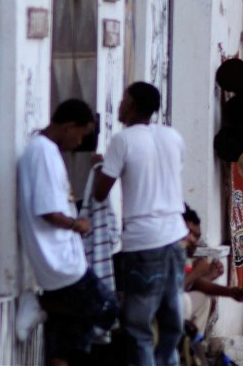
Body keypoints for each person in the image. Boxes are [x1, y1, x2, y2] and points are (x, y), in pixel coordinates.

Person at [94, 82, 188, 366]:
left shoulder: (122, 140)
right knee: (171, 322)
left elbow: (100, 191)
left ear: (133, 105)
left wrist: (100, 165)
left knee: (139, 327)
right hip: (175, 237)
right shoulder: (172, 137)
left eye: (123, 100)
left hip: (143, 243)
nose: (119, 105)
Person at [19, 99, 118, 366]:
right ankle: (44, 304)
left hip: (57, 260)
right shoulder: (44, 152)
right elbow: (47, 210)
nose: (79, 143)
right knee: (107, 308)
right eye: (81, 135)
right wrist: (78, 225)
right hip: (61, 262)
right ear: (68, 126)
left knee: (68, 341)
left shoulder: (43, 150)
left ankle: (51, 308)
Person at [180, 207, 243, 337]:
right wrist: (197, 272)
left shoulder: (181, 256)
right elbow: (172, 292)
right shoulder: (163, 251)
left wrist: (229, 291)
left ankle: (189, 349)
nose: (194, 241)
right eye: (190, 233)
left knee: (204, 298)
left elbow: (192, 284)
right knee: (198, 298)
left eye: (197, 237)